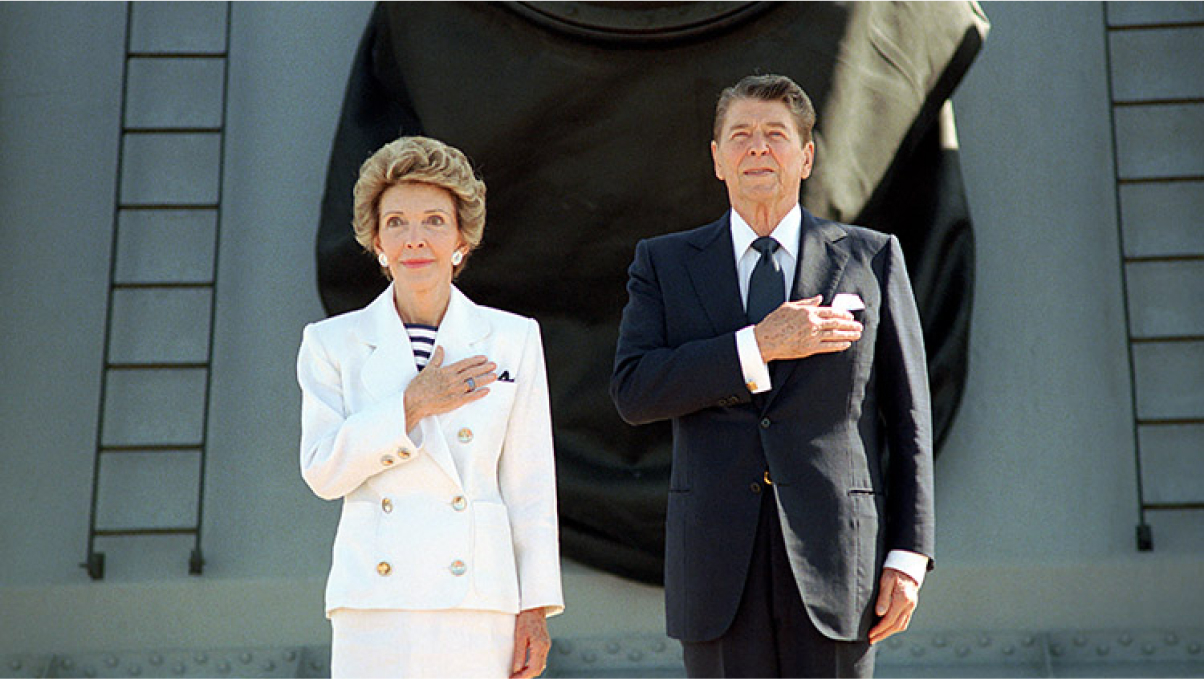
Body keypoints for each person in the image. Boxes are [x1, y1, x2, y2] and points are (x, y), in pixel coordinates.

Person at [611, 74, 935, 678]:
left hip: (840, 565)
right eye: (741, 135)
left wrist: (910, 554)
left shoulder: (871, 257)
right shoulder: (664, 263)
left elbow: (909, 415)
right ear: (717, 159)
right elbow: (635, 389)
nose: (757, 148)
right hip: (715, 571)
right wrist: (758, 345)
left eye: (775, 135)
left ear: (806, 156)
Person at [297, 136, 563, 678]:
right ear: (375, 239)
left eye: (434, 221)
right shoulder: (330, 343)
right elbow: (323, 470)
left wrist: (534, 608)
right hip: (375, 606)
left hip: (478, 602)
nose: (414, 239)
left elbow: (530, 485)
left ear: (462, 236)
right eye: (396, 222)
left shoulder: (512, 339)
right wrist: (410, 406)